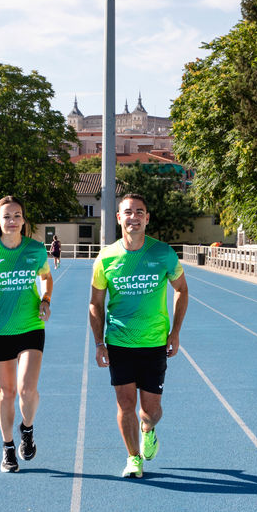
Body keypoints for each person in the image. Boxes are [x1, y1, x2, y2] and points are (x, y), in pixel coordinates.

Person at [89, 193, 189, 478]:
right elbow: (95, 303)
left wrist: (175, 332)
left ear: (147, 218)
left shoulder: (163, 253)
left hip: (154, 343)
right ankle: (133, 458)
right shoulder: (106, 257)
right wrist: (99, 343)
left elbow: (181, 289)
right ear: (119, 218)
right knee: (125, 405)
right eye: (128, 212)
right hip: (119, 342)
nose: (134, 217)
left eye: (140, 212)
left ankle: (148, 430)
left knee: (151, 411)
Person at [0, 197, 53, 473]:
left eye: (18, 216)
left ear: (23, 220)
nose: (13, 221)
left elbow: (46, 277)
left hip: (30, 326)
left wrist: (46, 300)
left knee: (27, 390)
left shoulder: (35, 250)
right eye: (7, 216)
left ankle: (26, 429)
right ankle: (7, 448)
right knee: (6, 393)